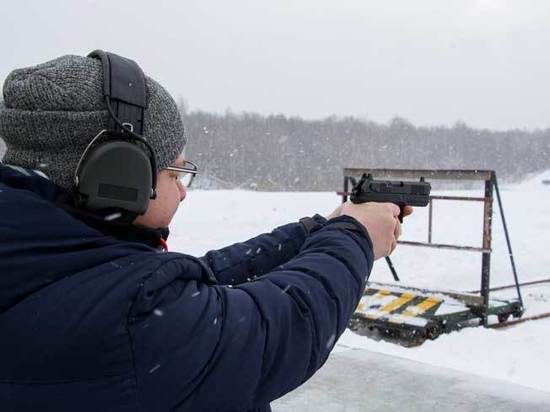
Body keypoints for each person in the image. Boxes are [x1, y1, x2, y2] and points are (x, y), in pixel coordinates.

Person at [0, 52, 408, 412]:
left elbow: (197, 280)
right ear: (119, 175)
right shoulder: (131, 319)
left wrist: (315, 232)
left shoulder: (39, 256)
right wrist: (356, 236)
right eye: (176, 170)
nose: (182, 189)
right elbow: (280, 328)